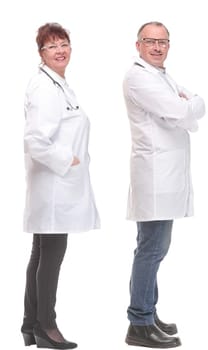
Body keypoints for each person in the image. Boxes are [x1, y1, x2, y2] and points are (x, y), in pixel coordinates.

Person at [123, 21, 205, 348]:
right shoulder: (138, 77)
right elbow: (180, 109)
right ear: (138, 44)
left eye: (163, 42)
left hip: (167, 176)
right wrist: (188, 107)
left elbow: (194, 106)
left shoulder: (161, 76)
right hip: (155, 177)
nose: (157, 47)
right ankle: (139, 322)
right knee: (151, 249)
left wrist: (189, 107)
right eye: (150, 41)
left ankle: (147, 312)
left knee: (155, 248)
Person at [22, 22, 100, 350]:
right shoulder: (44, 87)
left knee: (41, 252)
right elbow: (35, 140)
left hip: (55, 185)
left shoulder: (60, 85)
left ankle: (30, 323)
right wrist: (67, 159)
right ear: (41, 54)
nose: (60, 50)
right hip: (55, 184)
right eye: (52, 46)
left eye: (64, 43)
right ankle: (47, 326)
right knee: (51, 254)